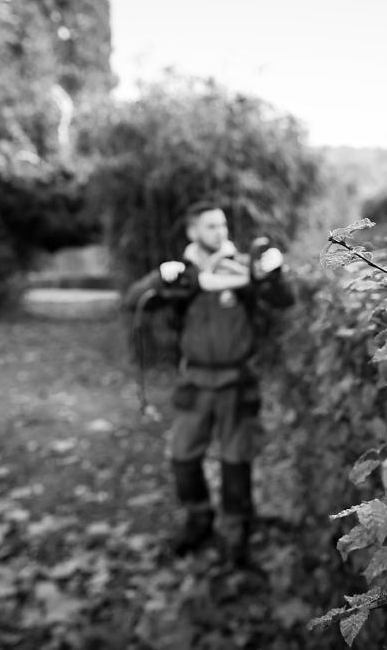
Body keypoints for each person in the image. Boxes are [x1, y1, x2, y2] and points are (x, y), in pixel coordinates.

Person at [122, 200, 293, 567]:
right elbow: (133, 300)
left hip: (236, 381)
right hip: (195, 381)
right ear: (192, 232)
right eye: (211, 226)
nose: (221, 232)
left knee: (236, 459)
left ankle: (236, 534)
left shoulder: (242, 268)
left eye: (223, 225)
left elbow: (283, 300)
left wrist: (274, 273)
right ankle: (199, 519)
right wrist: (158, 277)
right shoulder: (180, 274)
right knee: (182, 456)